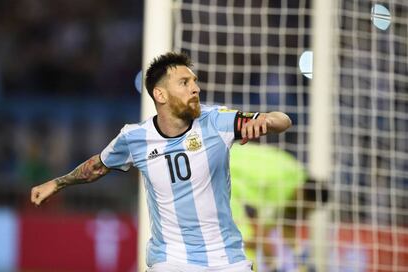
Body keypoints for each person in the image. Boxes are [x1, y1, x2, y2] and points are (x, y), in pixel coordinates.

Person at [31, 52, 292, 272]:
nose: (195, 88)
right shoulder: (135, 138)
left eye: (195, 81)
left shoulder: (217, 121)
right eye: (184, 82)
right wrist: (57, 183)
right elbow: (98, 165)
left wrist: (266, 120)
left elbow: (283, 121)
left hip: (226, 259)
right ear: (161, 95)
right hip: (171, 260)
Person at [230, 143, 329, 271]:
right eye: (306, 210)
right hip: (225, 174)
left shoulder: (295, 174)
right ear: (303, 193)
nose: (303, 215)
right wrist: (273, 263)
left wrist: (297, 255)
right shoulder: (281, 184)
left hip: (228, 161)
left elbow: (285, 222)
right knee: (243, 243)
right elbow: (262, 233)